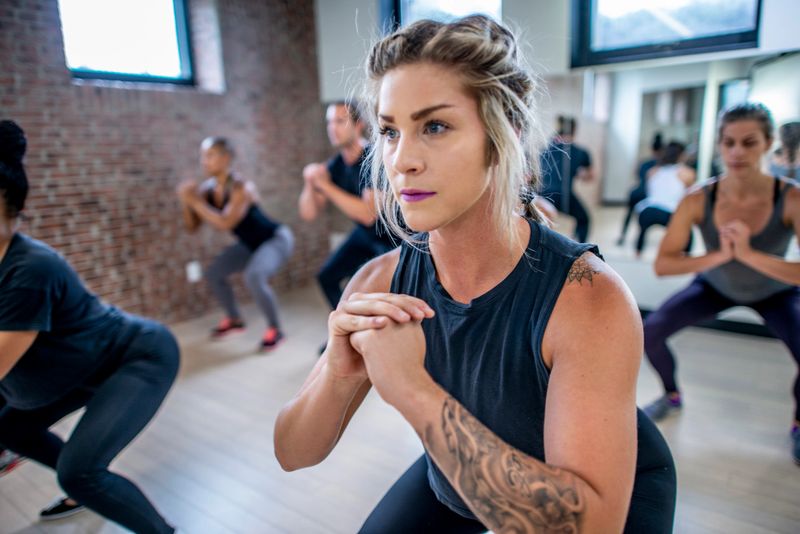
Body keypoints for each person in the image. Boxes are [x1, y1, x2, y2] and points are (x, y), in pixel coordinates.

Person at [275, 16, 676, 533]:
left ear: (502, 133)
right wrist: (338, 372)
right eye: (391, 130)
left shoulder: (588, 297)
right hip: (460, 454)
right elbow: (291, 452)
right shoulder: (379, 281)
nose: (401, 160)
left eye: (435, 127)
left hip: (607, 495)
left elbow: (592, 524)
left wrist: (413, 391)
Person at [0, 120, 179, 531]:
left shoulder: (29, 269)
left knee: (80, 472)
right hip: (80, 365)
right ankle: (82, 492)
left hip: (137, 357)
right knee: (11, 427)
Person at [641, 103, 800, 466]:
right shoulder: (699, 197)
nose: (736, 152)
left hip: (776, 290)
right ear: (718, 145)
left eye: (748, 142)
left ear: (768, 143)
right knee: (651, 331)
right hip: (715, 285)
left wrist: (746, 253)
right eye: (728, 142)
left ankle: (798, 422)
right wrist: (719, 257)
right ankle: (672, 395)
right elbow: (664, 265)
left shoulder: (790, 197)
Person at [178, 137, 294, 351]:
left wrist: (194, 201)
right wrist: (187, 202)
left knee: (254, 275)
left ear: (226, 158)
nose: (204, 161)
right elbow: (192, 226)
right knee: (214, 273)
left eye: (209, 156)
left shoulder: (242, 187)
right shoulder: (208, 189)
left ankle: (276, 330)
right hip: (250, 244)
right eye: (203, 156)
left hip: (274, 239)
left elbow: (225, 222)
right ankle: (234, 320)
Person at [299, 101, 396, 310]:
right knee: (327, 277)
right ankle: (345, 329)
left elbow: (368, 214)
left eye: (340, 121)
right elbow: (309, 213)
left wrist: (325, 185)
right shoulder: (335, 165)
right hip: (365, 235)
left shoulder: (373, 157)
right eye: (329, 122)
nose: (332, 128)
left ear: (358, 124)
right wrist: (310, 183)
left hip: (393, 239)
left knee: (377, 291)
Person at [633, 141, 695, 256]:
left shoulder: (652, 171)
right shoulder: (687, 173)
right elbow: (689, 196)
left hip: (648, 211)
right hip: (670, 212)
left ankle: (637, 253)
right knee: (689, 233)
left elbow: (649, 191)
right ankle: (686, 256)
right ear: (682, 155)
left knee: (642, 230)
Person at [538, 115, 594, 242]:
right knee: (584, 219)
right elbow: (590, 176)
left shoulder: (545, 149)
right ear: (575, 130)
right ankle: (579, 247)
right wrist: (581, 173)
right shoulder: (580, 152)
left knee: (540, 222)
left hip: (543, 194)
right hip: (564, 195)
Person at [618, 132, 663, 245]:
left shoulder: (644, 163)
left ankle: (622, 236)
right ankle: (639, 238)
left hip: (637, 191)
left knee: (629, 212)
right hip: (647, 194)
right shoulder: (661, 166)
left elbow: (637, 176)